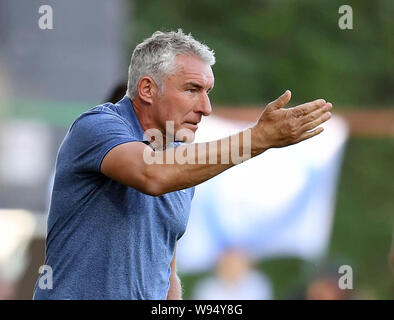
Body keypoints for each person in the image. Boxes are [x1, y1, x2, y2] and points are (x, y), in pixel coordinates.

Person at [33, 29, 332, 300]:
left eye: (207, 92)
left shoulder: (180, 164)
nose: (206, 108)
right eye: (192, 89)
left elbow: (166, 272)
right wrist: (256, 139)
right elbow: (151, 173)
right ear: (147, 89)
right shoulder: (96, 126)